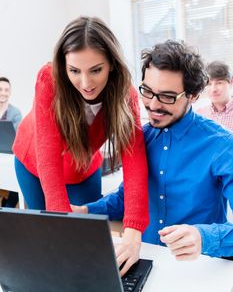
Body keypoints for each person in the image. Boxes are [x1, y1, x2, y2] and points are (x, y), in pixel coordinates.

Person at [13, 16, 149, 275]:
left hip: (81, 168)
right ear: (63, 66)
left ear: (111, 65)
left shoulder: (126, 94)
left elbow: (135, 161)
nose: (86, 84)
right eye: (74, 71)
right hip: (33, 163)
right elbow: (48, 156)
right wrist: (62, 228)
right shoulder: (48, 79)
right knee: (51, 237)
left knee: (87, 237)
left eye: (96, 70)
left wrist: (133, 231)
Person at [75, 40, 233, 261]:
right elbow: (127, 198)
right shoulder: (141, 137)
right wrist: (85, 212)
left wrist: (204, 237)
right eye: (147, 91)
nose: (153, 105)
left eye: (167, 97)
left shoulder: (221, 145)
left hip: (198, 266)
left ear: (193, 96)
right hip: (145, 260)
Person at [0, 77, 22, 207]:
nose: (3, 92)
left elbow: (18, 140)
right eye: (1, 89)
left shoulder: (16, 113)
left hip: (10, 158)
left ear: (10, 92)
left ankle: (7, 208)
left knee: (14, 180)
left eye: (6, 90)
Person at [198, 61, 233, 130]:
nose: (213, 89)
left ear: (231, 82)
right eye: (209, 84)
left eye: (219, 83)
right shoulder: (200, 115)